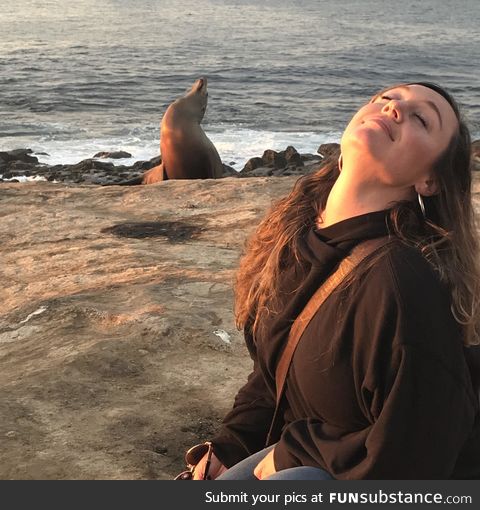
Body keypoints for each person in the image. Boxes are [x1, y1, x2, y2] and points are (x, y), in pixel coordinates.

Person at [187, 82, 480, 480]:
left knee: (297, 481)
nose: (393, 107)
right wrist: (230, 444)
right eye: (386, 98)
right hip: (312, 454)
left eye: (421, 118)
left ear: (430, 181)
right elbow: (275, 374)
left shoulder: (400, 284)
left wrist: (294, 454)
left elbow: (416, 458)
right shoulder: (295, 238)